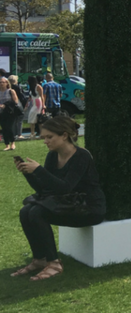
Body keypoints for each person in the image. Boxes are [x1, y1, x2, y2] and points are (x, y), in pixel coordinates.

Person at [12, 116, 105, 281]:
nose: (45, 141)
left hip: (89, 207)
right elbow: (45, 189)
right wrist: (29, 174)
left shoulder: (81, 156)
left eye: (49, 137)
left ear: (64, 135)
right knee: (26, 211)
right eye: (44, 138)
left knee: (37, 213)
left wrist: (39, 170)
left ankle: (54, 263)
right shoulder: (52, 156)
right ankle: (39, 259)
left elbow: (65, 187)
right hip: (69, 204)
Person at [0, 77, 21, 151]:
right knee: (4, 128)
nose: (1, 84)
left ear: (7, 83)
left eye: (3, 82)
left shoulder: (11, 91)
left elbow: (15, 101)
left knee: (9, 127)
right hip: (1, 113)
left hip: (10, 112)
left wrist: (5, 104)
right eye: (0, 82)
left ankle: (12, 142)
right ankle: (7, 144)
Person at [9, 75, 26, 140]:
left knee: (13, 120)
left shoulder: (8, 88)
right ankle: (19, 134)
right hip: (18, 104)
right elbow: (22, 97)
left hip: (10, 105)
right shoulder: (18, 87)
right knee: (19, 120)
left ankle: (14, 134)